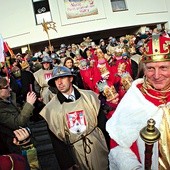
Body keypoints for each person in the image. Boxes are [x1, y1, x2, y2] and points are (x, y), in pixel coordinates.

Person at [106, 34, 170, 170]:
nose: (157, 75)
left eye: (163, 67)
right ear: (144, 69)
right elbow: (118, 145)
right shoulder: (134, 97)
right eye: (151, 68)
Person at [39, 66, 109, 170]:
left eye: (62, 78)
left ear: (70, 78)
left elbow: (102, 124)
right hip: (75, 152)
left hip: (97, 145)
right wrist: (67, 164)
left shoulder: (89, 97)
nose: (59, 83)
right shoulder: (51, 109)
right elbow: (57, 142)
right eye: (56, 80)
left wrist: (109, 146)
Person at [0, 77, 36, 154]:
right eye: (6, 87)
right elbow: (18, 123)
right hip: (17, 146)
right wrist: (29, 104)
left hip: (24, 139)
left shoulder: (8, 99)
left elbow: (19, 113)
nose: (10, 89)